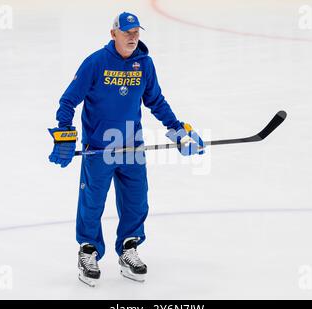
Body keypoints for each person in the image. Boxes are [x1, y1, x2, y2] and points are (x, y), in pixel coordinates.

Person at [48, 12, 204, 287]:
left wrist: (178, 130)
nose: (132, 37)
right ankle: (88, 251)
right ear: (113, 34)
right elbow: (68, 101)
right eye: (127, 32)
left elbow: (156, 101)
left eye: (136, 32)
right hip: (99, 149)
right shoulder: (95, 63)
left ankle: (129, 249)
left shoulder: (144, 64)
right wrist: (64, 135)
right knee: (92, 203)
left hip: (132, 148)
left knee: (137, 201)